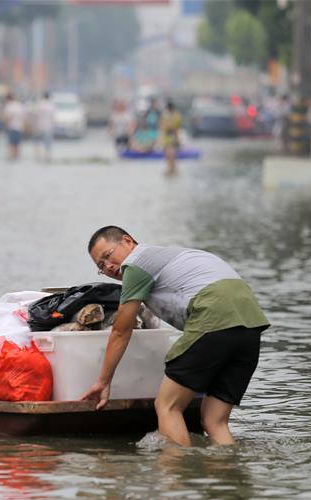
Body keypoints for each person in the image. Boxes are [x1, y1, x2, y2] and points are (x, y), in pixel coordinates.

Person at [81, 226, 270, 447]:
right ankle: (226, 477)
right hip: (250, 327)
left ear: (127, 241)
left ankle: (178, 474)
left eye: (108, 256)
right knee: (214, 420)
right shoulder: (168, 258)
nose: (109, 267)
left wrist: (104, 381)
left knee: (167, 406)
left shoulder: (136, 264)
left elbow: (121, 329)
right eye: (101, 267)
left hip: (215, 318)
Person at [160, 100, 183, 176]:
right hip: (167, 138)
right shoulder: (167, 115)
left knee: (172, 155)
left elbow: (173, 128)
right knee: (168, 155)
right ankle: (170, 169)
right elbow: (162, 126)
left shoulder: (176, 116)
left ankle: (172, 169)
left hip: (173, 137)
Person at [34, 92, 56, 162]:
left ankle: (37, 155)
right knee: (47, 143)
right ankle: (47, 156)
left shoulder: (40, 104)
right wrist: (53, 127)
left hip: (39, 125)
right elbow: (52, 118)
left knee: (37, 141)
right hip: (48, 126)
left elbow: (36, 115)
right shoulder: (51, 105)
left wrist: (35, 125)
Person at [2, 93, 25, 160]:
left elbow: (7, 117)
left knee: (11, 144)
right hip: (20, 127)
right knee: (17, 145)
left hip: (12, 127)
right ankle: (17, 157)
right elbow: (24, 116)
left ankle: (11, 157)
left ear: (7, 99)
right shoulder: (19, 105)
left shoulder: (9, 106)